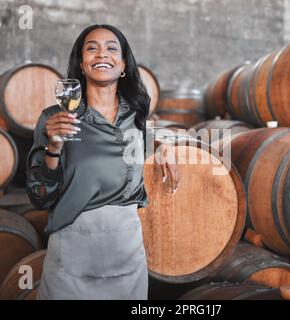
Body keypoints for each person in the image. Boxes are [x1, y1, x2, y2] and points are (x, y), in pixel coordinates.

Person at [25, 24, 180, 300]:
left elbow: (153, 137)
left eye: (111, 48)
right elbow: (40, 197)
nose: (101, 54)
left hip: (127, 258)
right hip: (72, 259)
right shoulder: (56, 119)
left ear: (122, 65)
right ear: (82, 65)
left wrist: (164, 146)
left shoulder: (137, 119)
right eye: (91, 48)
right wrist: (54, 147)